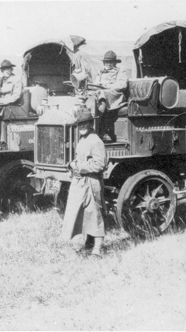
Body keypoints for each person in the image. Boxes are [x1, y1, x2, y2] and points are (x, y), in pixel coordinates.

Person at [60, 108, 108, 257]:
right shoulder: (82, 140)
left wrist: (79, 166)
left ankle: (97, 249)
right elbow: (80, 160)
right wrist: (72, 165)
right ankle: (88, 243)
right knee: (83, 214)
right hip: (80, 182)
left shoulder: (96, 141)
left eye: (84, 123)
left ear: (90, 123)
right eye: (79, 124)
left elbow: (100, 164)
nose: (81, 127)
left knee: (95, 214)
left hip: (91, 183)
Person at [94, 50, 130, 142]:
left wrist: (107, 86)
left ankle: (100, 131)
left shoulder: (120, 71)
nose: (109, 64)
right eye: (107, 61)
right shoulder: (100, 72)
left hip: (116, 95)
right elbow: (96, 84)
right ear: (104, 62)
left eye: (111, 62)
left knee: (102, 95)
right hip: (102, 93)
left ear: (115, 62)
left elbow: (122, 85)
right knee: (91, 95)